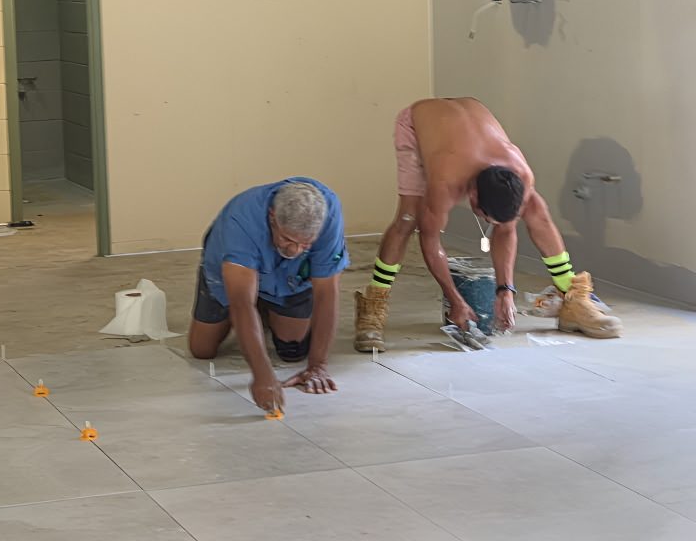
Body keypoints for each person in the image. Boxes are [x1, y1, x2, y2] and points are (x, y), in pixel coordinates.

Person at [355, 97, 622, 352]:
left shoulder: (521, 173)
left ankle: (573, 299)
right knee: (408, 218)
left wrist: (506, 291)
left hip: (469, 123)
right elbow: (429, 238)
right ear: (471, 195)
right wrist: (455, 300)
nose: (487, 223)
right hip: (418, 123)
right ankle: (373, 305)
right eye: (485, 217)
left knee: (538, 211)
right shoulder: (446, 181)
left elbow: (505, 229)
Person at [188, 178, 349, 413]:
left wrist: (318, 366)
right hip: (232, 273)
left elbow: (327, 293)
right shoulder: (241, 221)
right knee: (202, 350)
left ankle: (266, 310)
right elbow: (242, 304)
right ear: (272, 217)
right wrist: (263, 375)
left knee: (293, 351)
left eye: (305, 245)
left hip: (289, 278)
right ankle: (259, 308)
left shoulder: (329, 215)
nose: (294, 250)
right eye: (287, 239)